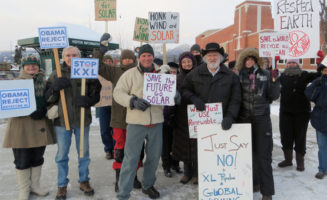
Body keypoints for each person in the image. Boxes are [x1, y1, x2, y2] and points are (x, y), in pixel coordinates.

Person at [45, 46, 101, 200]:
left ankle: (84, 180)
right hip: (62, 122)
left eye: (74, 55)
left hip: (82, 119)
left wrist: (89, 99)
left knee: (83, 152)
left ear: (79, 56)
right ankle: (61, 185)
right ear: (63, 57)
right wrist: (55, 89)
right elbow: (47, 98)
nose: (71, 58)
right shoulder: (56, 73)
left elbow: (96, 92)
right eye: (68, 55)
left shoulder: (87, 70)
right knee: (62, 154)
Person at [113, 44, 163, 200]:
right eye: (144, 56)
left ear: (153, 57)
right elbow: (117, 93)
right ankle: (123, 192)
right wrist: (132, 101)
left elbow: (170, 91)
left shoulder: (162, 73)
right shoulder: (130, 74)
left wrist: (174, 95)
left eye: (149, 55)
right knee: (131, 159)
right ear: (139, 58)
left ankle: (148, 185)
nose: (147, 58)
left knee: (154, 158)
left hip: (156, 121)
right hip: (135, 122)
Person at [2, 55, 56, 200]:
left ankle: (35, 186)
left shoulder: (44, 83)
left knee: (37, 157)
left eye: (34, 65)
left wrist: (44, 109)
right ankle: (24, 190)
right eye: (28, 65)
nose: (31, 67)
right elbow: (10, 103)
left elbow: (51, 101)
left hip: (39, 126)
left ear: (39, 66)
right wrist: (27, 110)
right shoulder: (15, 83)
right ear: (23, 67)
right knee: (22, 159)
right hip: (21, 128)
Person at [235, 48, 280, 200]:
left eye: (252, 59)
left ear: (256, 60)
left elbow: (273, 96)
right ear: (243, 61)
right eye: (247, 59)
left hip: (262, 120)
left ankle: (267, 192)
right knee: (248, 154)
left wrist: (275, 81)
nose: (249, 62)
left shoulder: (266, 74)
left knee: (263, 156)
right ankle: (253, 182)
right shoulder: (238, 76)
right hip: (244, 119)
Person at [96, 48, 143, 192]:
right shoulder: (115, 71)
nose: (127, 61)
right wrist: (100, 51)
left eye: (130, 58)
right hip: (119, 119)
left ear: (134, 59)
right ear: (121, 60)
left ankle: (133, 176)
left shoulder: (140, 72)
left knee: (134, 151)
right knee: (120, 149)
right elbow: (98, 66)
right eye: (125, 59)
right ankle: (119, 178)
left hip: (136, 119)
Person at [278, 58, 320, 171]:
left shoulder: (304, 75)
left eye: (294, 63)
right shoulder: (282, 76)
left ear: (298, 64)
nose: (291, 64)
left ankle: (300, 162)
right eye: (289, 63)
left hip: (301, 113)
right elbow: (271, 83)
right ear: (287, 65)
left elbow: (318, 75)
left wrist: (320, 63)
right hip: (286, 112)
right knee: (286, 136)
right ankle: (288, 160)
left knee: (300, 137)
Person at [171, 52, 199, 184]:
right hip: (181, 115)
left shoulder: (199, 76)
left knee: (197, 145)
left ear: (193, 62)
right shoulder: (176, 78)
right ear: (180, 64)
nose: (187, 64)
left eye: (189, 61)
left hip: (198, 114)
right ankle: (187, 172)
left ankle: (197, 174)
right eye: (184, 62)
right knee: (184, 145)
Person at [305, 63, 327, 179]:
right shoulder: (318, 81)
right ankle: (322, 169)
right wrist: (317, 85)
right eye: (325, 69)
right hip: (321, 118)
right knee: (322, 146)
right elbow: (309, 95)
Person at [97, 54, 115, 160]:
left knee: (115, 129)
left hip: (115, 104)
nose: (108, 62)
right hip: (102, 104)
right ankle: (108, 149)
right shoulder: (98, 73)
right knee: (104, 129)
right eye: (106, 61)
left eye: (110, 61)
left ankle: (115, 149)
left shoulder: (116, 72)